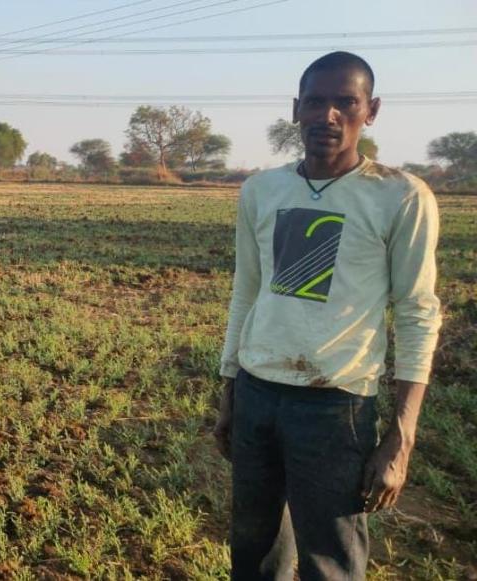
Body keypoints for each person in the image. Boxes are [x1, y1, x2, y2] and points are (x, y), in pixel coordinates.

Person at [214, 51, 441, 581]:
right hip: (257, 392)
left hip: (335, 405)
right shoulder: (262, 190)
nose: (329, 115)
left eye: (346, 102)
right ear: (296, 109)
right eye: (316, 102)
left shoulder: (400, 197)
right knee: (253, 549)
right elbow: (247, 292)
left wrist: (401, 436)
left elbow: (417, 311)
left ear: (371, 110)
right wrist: (230, 387)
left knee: (329, 561)